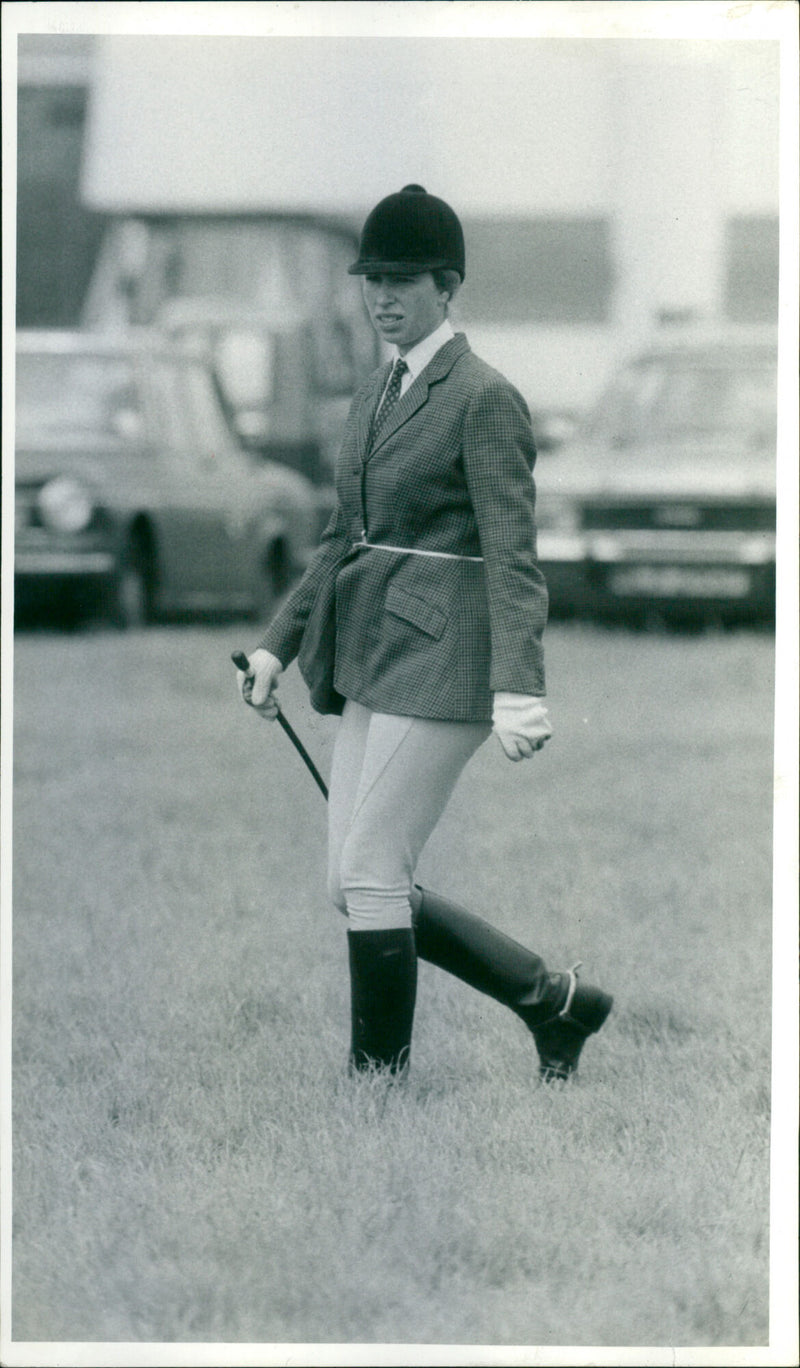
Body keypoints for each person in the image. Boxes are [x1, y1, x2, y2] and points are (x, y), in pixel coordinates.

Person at [236, 185, 612, 1081]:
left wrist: (519, 686)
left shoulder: (485, 398)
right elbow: (343, 536)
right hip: (377, 653)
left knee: (372, 868)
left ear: (448, 287)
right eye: (372, 280)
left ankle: (377, 1084)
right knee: (351, 883)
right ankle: (552, 1000)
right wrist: (276, 646)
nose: (382, 297)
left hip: (450, 660)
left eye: (402, 281)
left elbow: (514, 554)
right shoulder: (376, 389)